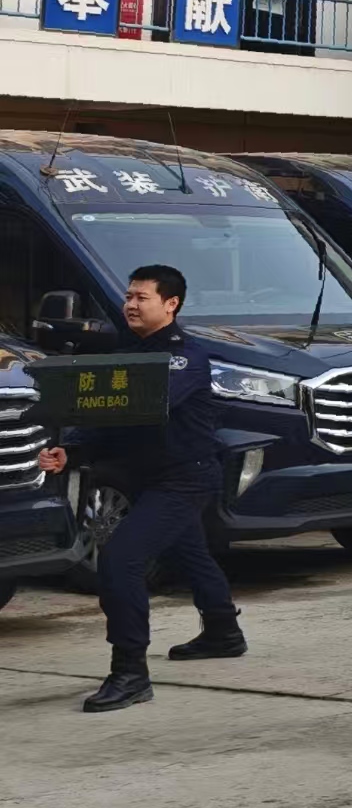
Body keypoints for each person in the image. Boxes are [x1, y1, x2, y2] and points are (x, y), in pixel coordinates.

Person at [36, 265, 247, 713]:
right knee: (190, 552)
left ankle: (130, 673)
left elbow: (140, 404)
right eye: (128, 296)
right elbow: (107, 419)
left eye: (142, 297)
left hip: (184, 478)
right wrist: (69, 452)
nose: (130, 305)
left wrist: (82, 398)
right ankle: (223, 632)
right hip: (150, 477)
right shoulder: (129, 353)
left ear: (171, 304)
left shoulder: (184, 357)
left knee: (119, 560)